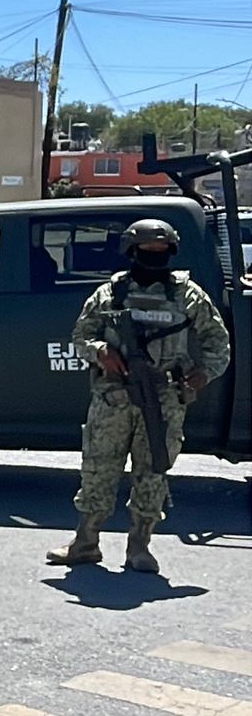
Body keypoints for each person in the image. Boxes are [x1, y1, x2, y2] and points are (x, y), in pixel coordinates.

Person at [46, 219, 230, 572]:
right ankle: (85, 542)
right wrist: (101, 351)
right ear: (132, 252)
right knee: (98, 469)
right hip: (114, 397)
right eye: (148, 251)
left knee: (153, 470)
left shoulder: (187, 295)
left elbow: (217, 341)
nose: (155, 257)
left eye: (162, 251)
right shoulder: (109, 293)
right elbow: (81, 337)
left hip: (164, 398)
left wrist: (204, 372)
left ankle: (140, 547)